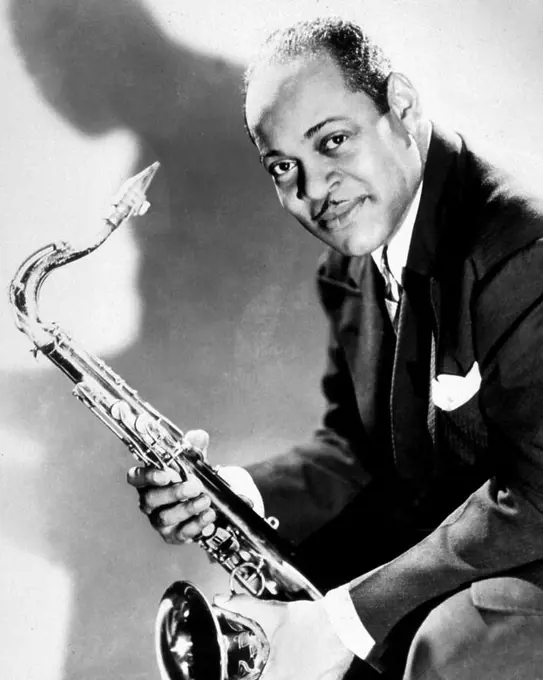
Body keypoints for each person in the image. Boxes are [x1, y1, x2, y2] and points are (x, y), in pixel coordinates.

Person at [127, 17, 543, 680]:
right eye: (284, 168)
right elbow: (356, 449)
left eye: (334, 142)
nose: (314, 191)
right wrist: (228, 492)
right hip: (465, 547)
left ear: (400, 108)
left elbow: (538, 495)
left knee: (448, 646)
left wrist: (345, 618)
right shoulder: (353, 265)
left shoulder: (521, 249)